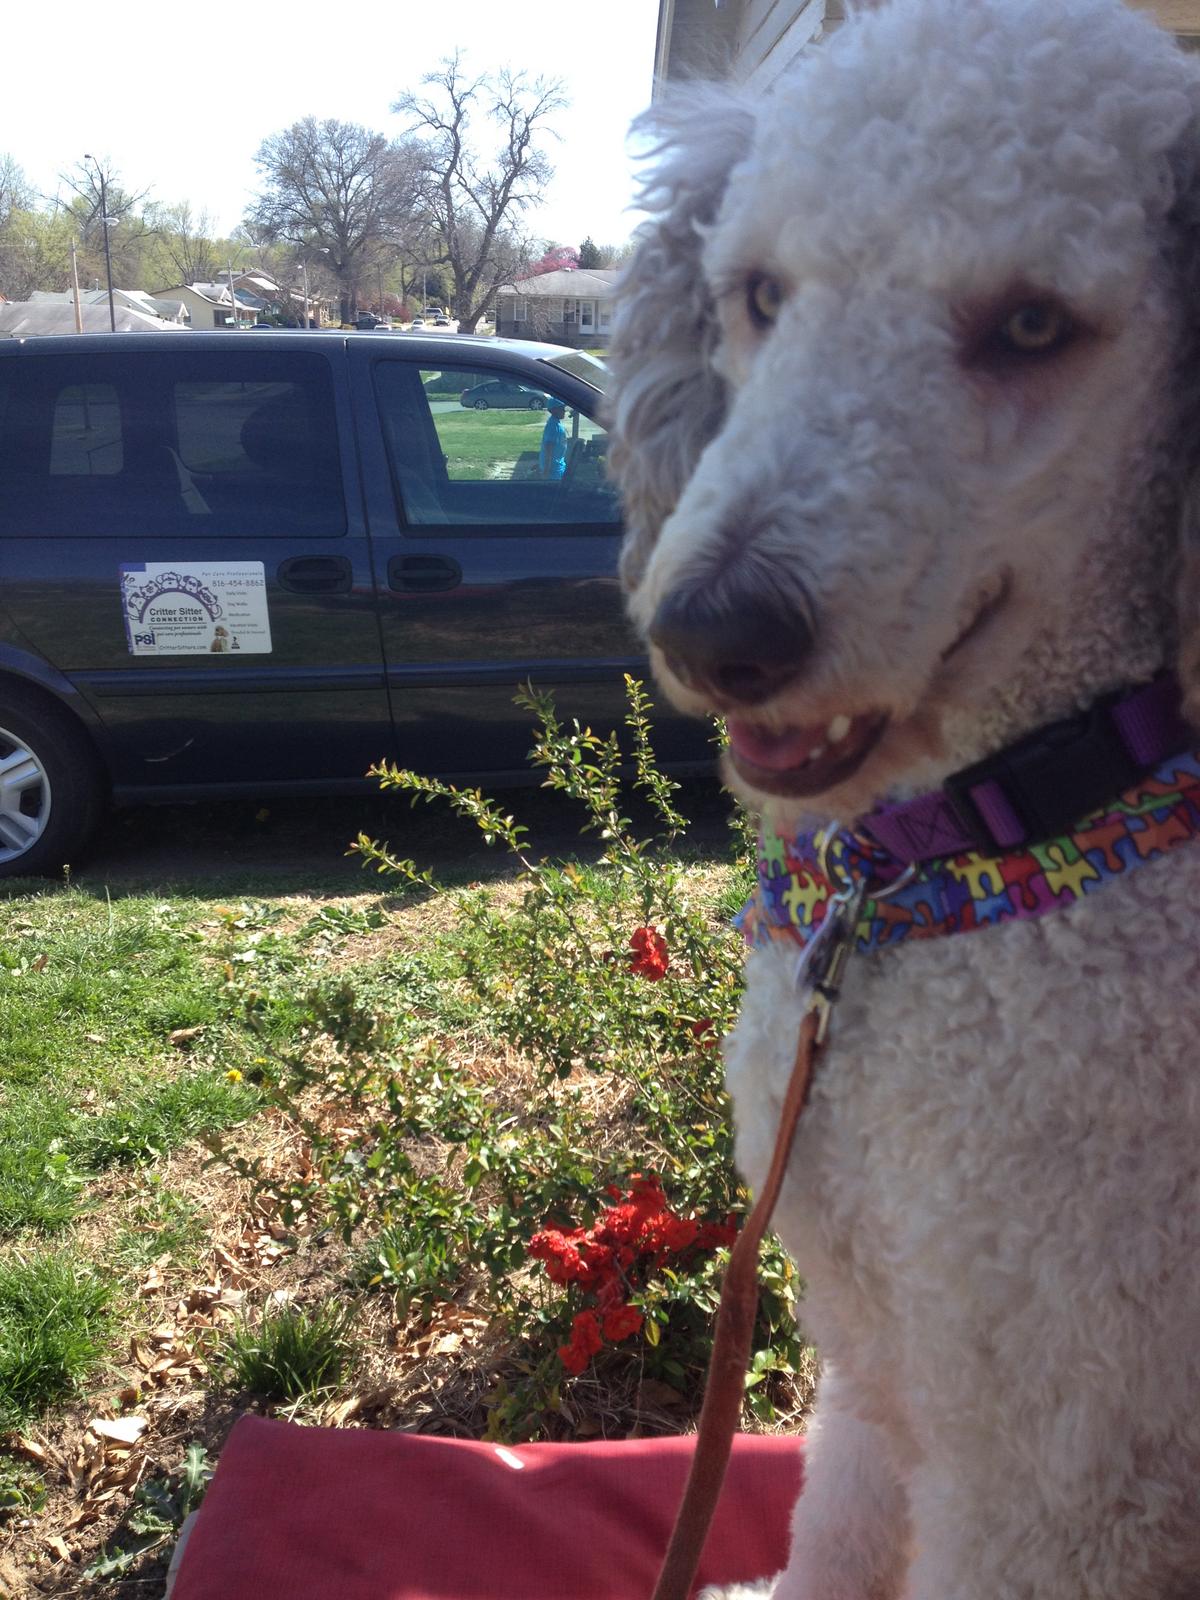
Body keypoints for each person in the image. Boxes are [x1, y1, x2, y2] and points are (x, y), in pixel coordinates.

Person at [539, 397, 568, 481]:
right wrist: (545, 472)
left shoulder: (556, 424)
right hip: (553, 473)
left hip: (558, 469)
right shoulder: (553, 427)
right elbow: (549, 450)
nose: (564, 411)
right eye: (561, 408)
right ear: (554, 410)